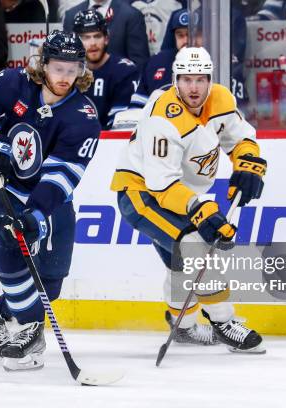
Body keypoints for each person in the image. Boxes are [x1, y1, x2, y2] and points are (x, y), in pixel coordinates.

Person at [0, 31, 101, 371]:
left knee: (50, 284)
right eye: (58, 68)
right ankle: (31, 333)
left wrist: (35, 214)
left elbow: (61, 176)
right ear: (43, 65)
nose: (65, 77)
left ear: (81, 70)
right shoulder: (15, 83)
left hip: (50, 200)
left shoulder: (83, 117)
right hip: (5, 189)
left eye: (72, 69)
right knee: (8, 244)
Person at [110, 47, 267, 352]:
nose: (194, 87)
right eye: (186, 80)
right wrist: (200, 208)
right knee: (196, 247)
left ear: (210, 80)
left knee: (179, 262)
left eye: (200, 79)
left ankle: (182, 327)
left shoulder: (220, 98)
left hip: (176, 191)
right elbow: (161, 186)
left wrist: (247, 162)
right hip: (141, 194)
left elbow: (240, 136)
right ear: (175, 80)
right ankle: (223, 322)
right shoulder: (164, 120)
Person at [73, 9, 138, 129]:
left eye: (97, 36)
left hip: (111, 142)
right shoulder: (68, 72)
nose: (93, 43)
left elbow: (122, 123)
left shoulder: (125, 71)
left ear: (106, 38)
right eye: (86, 37)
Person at [129, 8, 189, 109]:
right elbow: (136, 108)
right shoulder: (156, 63)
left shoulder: (217, 60)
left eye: (190, 35)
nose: (186, 40)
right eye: (180, 35)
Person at [63, 0, 150, 66]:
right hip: (82, 86)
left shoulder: (131, 15)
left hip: (120, 85)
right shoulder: (71, 15)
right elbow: (68, 59)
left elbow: (140, 63)